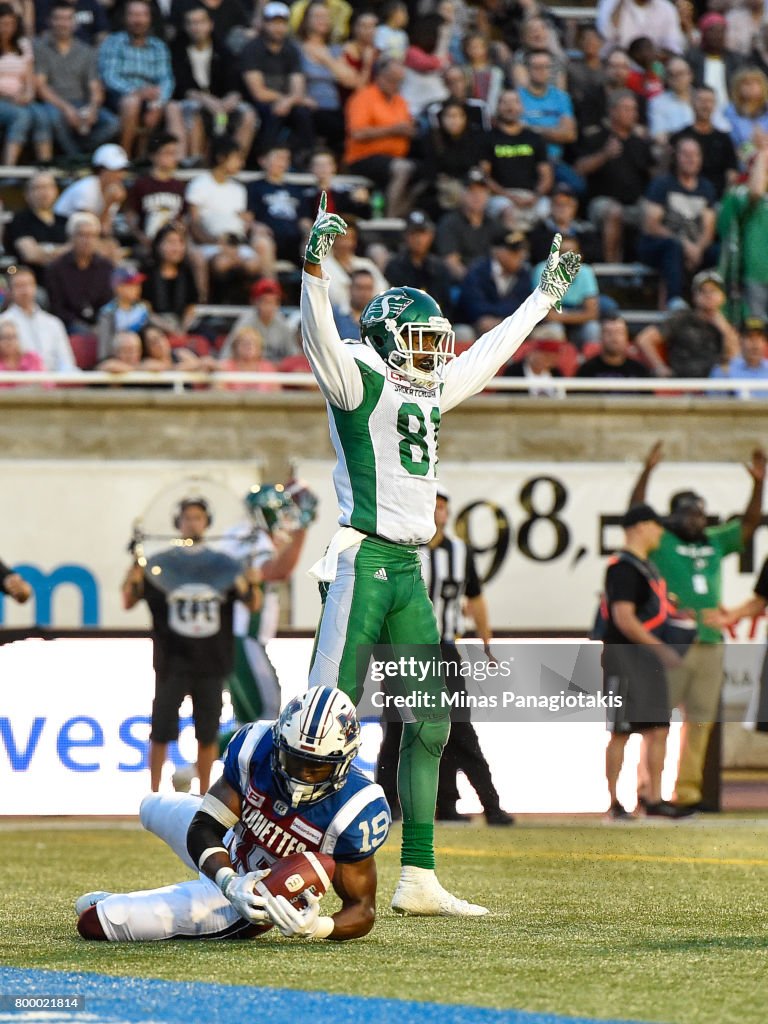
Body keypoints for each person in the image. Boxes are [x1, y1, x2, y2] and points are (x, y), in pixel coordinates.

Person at [300, 192, 580, 915]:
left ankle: (418, 874)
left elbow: (488, 356)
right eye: (420, 338)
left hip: (408, 572)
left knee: (431, 721)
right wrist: (316, 268)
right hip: (362, 563)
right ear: (388, 336)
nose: (433, 350)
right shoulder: (357, 373)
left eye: (434, 338)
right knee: (321, 718)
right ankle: (285, 855)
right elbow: (319, 339)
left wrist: (542, 300)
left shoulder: (424, 388)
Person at [75, 686, 390, 943]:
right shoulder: (255, 747)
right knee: (151, 805)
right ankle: (172, 893)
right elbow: (204, 827)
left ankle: (131, 904)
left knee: (94, 922)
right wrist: (228, 880)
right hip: (229, 849)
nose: (303, 777)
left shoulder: (356, 811)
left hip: (250, 902)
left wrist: (318, 927)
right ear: (279, 743)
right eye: (294, 761)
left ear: (344, 763)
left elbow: (363, 910)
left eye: (317, 767)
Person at [629, 441, 766, 810]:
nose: (698, 519)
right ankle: (647, 787)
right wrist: (647, 472)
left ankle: (686, 792)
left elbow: (750, 524)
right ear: (673, 515)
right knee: (656, 720)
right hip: (672, 640)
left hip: (710, 640)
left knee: (702, 721)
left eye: (702, 514)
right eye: (691, 513)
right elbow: (636, 515)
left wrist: (759, 482)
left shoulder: (715, 541)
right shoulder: (662, 540)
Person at [376, 490, 514, 825]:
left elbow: (475, 596)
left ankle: (469, 805)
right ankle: (387, 804)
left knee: (457, 726)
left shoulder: (459, 552)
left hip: (445, 646)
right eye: (435, 506)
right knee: (398, 727)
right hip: (404, 648)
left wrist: (486, 639)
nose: (441, 513)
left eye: (444, 508)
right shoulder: (401, 549)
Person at [121, 496, 261, 794]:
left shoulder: (223, 566)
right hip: (172, 660)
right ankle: (154, 792)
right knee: (161, 729)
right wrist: (134, 570)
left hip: (211, 660)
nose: (192, 523)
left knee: (207, 732)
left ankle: (203, 793)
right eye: (187, 517)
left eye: (198, 517)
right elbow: (129, 600)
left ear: (206, 522)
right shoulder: (161, 565)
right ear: (177, 522)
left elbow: (253, 603)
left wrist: (250, 582)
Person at [601, 503, 688, 821]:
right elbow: (624, 619)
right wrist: (661, 648)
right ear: (639, 526)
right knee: (621, 730)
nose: (660, 532)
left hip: (647, 659)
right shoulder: (623, 567)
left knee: (659, 727)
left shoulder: (646, 566)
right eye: (655, 525)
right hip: (625, 657)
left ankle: (653, 798)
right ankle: (613, 802)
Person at [167, 3, 256, 165]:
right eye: (191, 23)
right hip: (196, 101)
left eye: (200, 22)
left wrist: (231, 98)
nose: (196, 27)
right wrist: (207, 100)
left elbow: (235, 84)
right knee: (193, 109)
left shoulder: (222, 50)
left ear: (210, 24)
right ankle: (195, 160)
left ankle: (235, 161)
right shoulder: (177, 50)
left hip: (221, 103)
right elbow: (183, 87)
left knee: (248, 114)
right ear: (185, 26)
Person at [637, 136, 718, 307]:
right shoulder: (662, 184)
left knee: (718, 252)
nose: (690, 159)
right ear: (676, 157)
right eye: (686, 154)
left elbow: (708, 230)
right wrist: (684, 245)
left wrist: (697, 249)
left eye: (695, 155)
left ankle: (714, 303)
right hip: (659, 246)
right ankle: (674, 301)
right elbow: (651, 225)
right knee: (673, 247)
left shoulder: (706, 188)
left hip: (694, 247)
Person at [34, 1, 119, 159]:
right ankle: (75, 157)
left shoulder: (86, 51)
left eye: (67, 19)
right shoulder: (40, 48)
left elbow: (94, 86)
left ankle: (80, 153)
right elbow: (41, 86)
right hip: (53, 104)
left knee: (112, 123)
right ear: (50, 21)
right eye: (58, 18)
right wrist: (66, 109)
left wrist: (92, 108)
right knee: (52, 116)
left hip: (80, 103)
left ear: (75, 23)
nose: (63, 23)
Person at [240, 1, 315, 161]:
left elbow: (298, 86)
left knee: (303, 114)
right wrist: (287, 100)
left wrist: (289, 101)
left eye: (282, 23)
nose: (278, 28)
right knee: (274, 112)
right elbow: (258, 92)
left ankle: (303, 158)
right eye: (273, 23)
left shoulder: (291, 49)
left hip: (286, 101)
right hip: (257, 102)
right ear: (264, 24)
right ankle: (264, 156)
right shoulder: (252, 49)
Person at [97, 0, 174, 157]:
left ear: (149, 18)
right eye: (133, 15)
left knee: (168, 106)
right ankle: (124, 156)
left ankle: (145, 157)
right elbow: (109, 77)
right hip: (117, 98)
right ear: (125, 18)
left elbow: (166, 79)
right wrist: (137, 92)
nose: (138, 20)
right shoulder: (113, 42)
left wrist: (157, 103)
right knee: (131, 102)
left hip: (150, 98)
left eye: (142, 15)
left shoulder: (158, 46)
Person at [343, 59, 415, 218]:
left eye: (399, 81)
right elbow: (357, 133)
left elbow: (408, 125)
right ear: (380, 76)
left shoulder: (400, 102)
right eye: (391, 79)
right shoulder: (363, 98)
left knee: (423, 171)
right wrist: (392, 130)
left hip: (394, 157)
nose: (395, 84)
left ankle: (405, 215)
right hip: (364, 157)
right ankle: (390, 217)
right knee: (403, 168)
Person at [634, 268, 739, 378]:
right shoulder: (681, 319)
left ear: (723, 297)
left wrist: (723, 328)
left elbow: (735, 359)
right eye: (702, 291)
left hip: (715, 386)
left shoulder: (727, 326)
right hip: (683, 382)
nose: (708, 295)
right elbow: (644, 339)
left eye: (713, 291)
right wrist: (659, 367)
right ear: (694, 296)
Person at [46, 212, 114, 333]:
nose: (86, 240)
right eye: (81, 235)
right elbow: (57, 307)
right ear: (71, 237)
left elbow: (109, 302)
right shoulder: (56, 268)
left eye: (92, 236)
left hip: (100, 322)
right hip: (69, 324)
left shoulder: (106, 267)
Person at [458, 229, 533, 336]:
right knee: (464, 333)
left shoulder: (523, 274)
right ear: (496, 251)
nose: (520, 256)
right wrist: (495, 317)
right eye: (514, 251)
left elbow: (523, 304)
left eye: (522, 252)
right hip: (476, 324)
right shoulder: (478, 270)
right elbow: (473, 304)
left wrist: (501, 321)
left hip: (508, 324)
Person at [4, 264, 76, 371]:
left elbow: (67, 362)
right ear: (10, 291)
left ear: (35, 287)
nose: (25, 291)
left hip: (55, 383)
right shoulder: (3, 322)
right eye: (19, 286)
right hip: (19, 384)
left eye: (29, 284)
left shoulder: (54, 323)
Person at [125, 132, 187, 249]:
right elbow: (130, 218)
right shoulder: (141, 184)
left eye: (174, 153)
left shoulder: (179, 186)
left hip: (173, 244)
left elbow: (182, 219)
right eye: (168, 153)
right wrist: (142, 239)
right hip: (147, 242)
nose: (173, 158)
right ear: (154, 155)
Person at [54, 141, 130, 237]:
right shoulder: (86, 188)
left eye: (123, 170)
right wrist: (108, 203)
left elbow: (105, 230)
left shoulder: (114, 190)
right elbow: (89, 229)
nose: (121, 175)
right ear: (101, 170)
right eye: (116, 170)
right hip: (61, 230)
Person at [384, 210, 452, 315]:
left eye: (422, 234)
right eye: (413, 234)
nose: (418, 239)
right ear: (405, 236)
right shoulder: (394, 266)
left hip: (437, 322)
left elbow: (446, 304)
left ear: (431, 236)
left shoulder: (439, 267)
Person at [4, 172, 67, 279]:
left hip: (65, 281)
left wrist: (45, 250)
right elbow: (31, 255)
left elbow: (81, 252)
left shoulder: (66, 220)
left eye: (48, 187)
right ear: (26, 194)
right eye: (38, 188)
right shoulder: (20, 220)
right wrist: (66, 250)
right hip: (33, 284)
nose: (44, 192)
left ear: (56, 191)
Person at [220, 278, 294, 361]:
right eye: (265, 301)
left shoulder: (282, 323)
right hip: (251, 370)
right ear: (255, 302)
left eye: (273, 302)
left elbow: (293, 354)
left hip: (275, 370)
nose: (269, 307)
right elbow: (226, 354)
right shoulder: (246, 321)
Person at [575, 314, 650, 390]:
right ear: (600, 337)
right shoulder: (587, 371)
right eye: (609, 333)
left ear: (627, 337)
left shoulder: (639, 371)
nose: (614, 337)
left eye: (619, 333)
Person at [710, 317, 768, 399]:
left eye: (760, 338)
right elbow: (713, 407)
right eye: (750, 338)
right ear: (740, 341)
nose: (755, 344)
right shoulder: (724, 372)